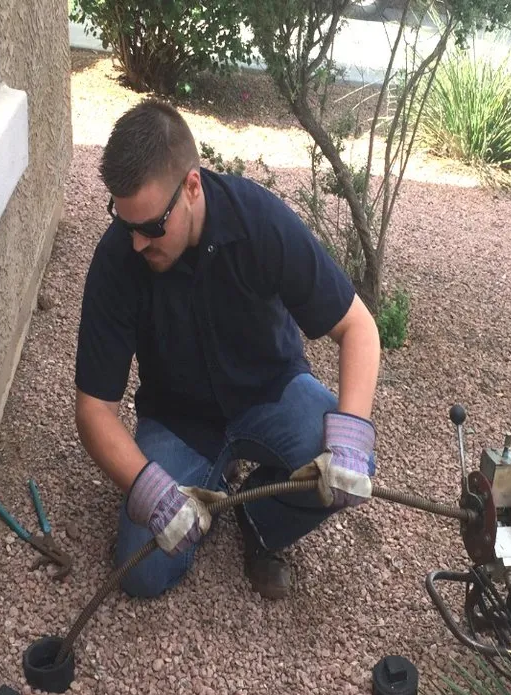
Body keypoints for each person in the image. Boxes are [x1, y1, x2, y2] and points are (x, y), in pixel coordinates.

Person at [73, 98, 381, 601]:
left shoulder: (258, 221)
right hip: (180, 421)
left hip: (272, 394)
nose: (136, 244)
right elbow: (93, 410)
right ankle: (203, 492)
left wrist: (350, 440)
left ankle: (260, 520)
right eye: (125, 223)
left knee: (353, 464)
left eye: (151, 226)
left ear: (191, 186)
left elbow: (358, 327)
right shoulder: (117, 259)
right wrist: (151, 490)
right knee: (141, 575)